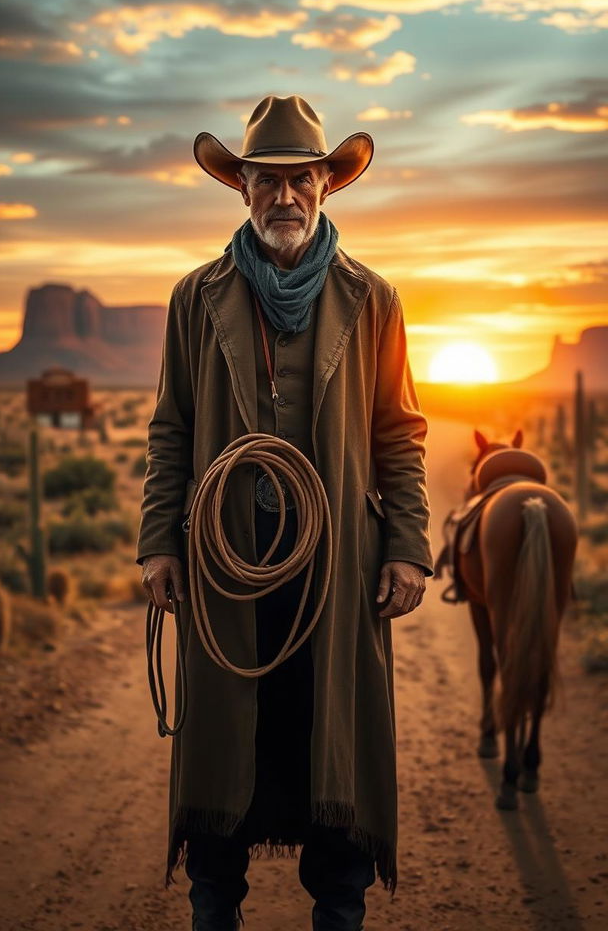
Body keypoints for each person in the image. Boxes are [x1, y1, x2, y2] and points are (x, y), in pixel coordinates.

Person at [137, 94, 434, 931]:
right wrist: (160, 540)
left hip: (336, 564)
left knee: (329, 748)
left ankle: (338, 909)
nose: (283, 197)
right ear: (241, 189)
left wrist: (406, 547)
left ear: (326, 186)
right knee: (226, 754)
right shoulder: (196, 298)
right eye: (265, 180)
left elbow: (399, 434)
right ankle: (214, 910)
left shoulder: (371, 298)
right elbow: (172, 431)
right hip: (226, 560)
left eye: (300, 178)